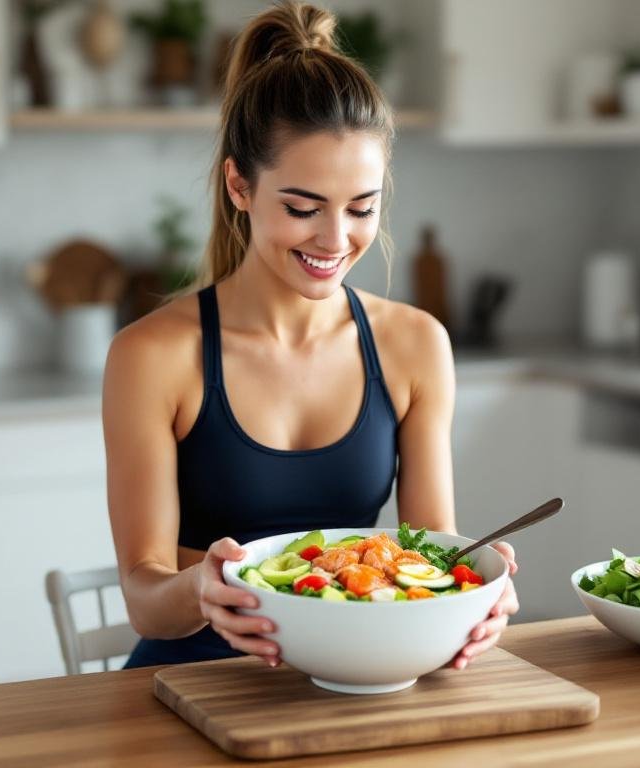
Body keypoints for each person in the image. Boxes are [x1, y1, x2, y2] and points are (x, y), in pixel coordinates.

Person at [103, 0, 518, 670]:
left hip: (357, 676)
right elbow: (144, 597)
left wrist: (471, 598)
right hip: (192, 683)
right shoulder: (152, 356)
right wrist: (200, 590)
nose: (334, 240)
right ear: (239, 184)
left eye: (362, 207)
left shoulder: (414, 346)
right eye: (302, 208)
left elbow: (430, 553)